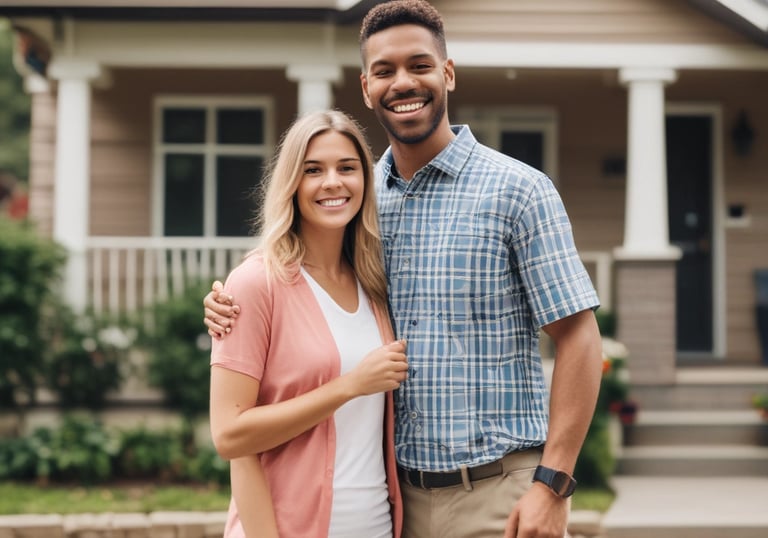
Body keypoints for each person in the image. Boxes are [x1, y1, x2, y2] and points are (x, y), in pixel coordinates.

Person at [205, 1, 604, 537]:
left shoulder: (519, 191)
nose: (403, 83)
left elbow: (578, 335)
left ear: (448, 73)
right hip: (395, 504)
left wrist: (553, 484)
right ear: (366, 87)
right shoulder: (361, 202)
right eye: (385, 71)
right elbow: (299, 280)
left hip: (498, 494)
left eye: (419, 65)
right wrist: (230, 301)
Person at [208, 109, 407, 538]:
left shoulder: (373, 281)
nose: (332, 182)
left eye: (347, 168)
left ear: (365, 180)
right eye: (313, 170)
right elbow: (229, 436)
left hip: (374, 526)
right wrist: (349, 386)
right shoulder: (256, 282)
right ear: (292, 183)